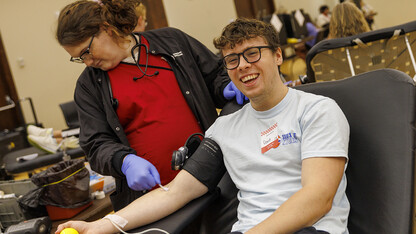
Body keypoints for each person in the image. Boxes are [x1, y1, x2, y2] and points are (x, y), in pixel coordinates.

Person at [56, 18, 350, 234]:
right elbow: (175, 192)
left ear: (277, 55)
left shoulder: (316, 111)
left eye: (252, 54)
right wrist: (99, 226)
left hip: (311, 229)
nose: (243, 66)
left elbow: (318, 199)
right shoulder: (224, 130)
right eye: (232, 60)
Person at [56, 0, 243, 212]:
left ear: (106, 29)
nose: (87, 61)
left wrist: (226, 85)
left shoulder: (173, 42)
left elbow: (215, 75)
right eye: (79, 59)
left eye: (86, 51)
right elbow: (96, 144)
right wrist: (124, 161)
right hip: (154, 202)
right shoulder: (89, 86)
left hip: (215, 181)